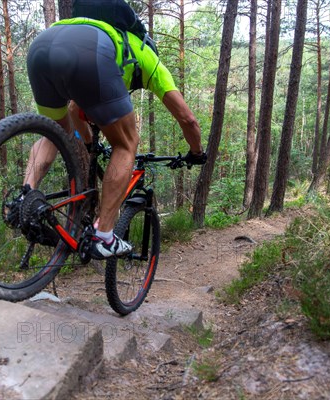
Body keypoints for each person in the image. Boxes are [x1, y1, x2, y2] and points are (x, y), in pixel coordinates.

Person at [25, 15, 205, 260]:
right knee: (126, 144)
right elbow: (188, 120)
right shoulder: (149, 58)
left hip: (40, 47)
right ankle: (104, 237)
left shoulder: (114, 37)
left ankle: (25, 197)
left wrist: (89, 143)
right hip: (89, 50)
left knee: (55, 135)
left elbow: (73, 110)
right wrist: (196, 152)